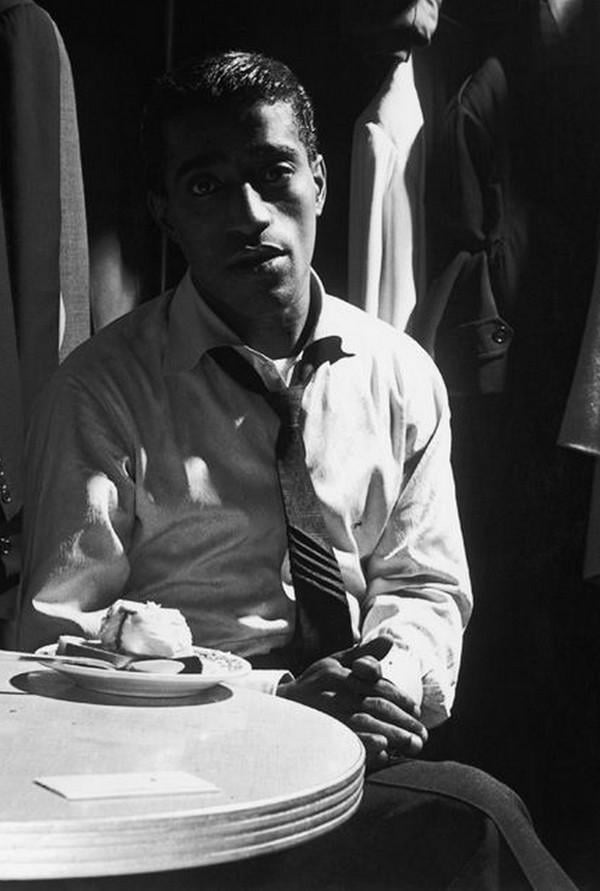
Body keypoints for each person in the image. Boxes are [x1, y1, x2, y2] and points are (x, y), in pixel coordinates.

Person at [16, 51, 576, 889]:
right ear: (163, 210)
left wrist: (381, 678)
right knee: (475, 816)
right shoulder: (101, 392)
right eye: (204, 186)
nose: (249, 214)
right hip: (173, 768)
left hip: (355, 743)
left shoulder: (399, 373)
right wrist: (270, 699)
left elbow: (426, 583)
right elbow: (60, 644)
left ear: (318, 177)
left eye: (272, 171)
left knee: (465, 820)